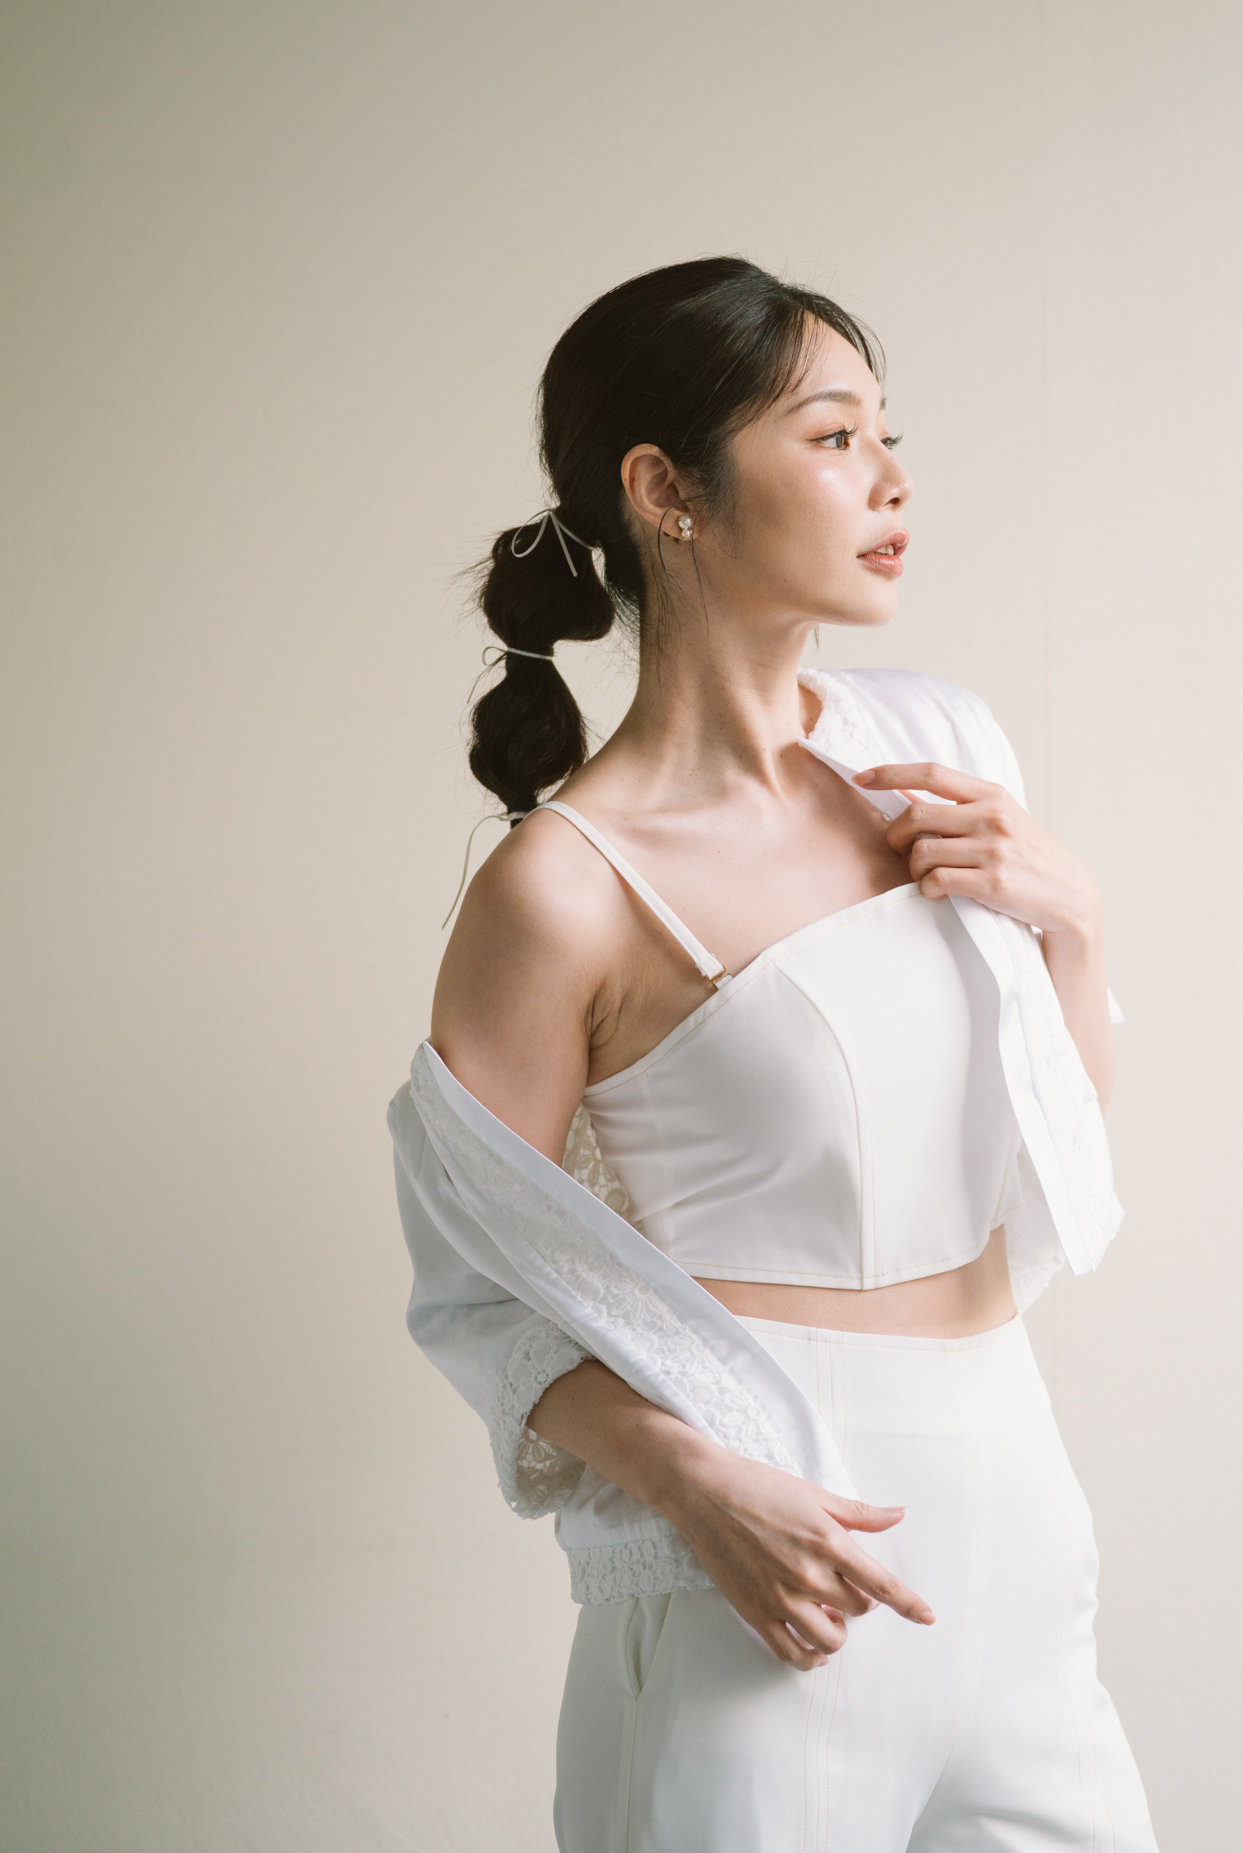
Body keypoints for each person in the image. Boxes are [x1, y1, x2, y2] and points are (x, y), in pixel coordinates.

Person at [390, 257, 1158, 1851]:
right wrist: (693, 1485)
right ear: (664, 490)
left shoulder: (940, 745)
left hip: (1020, 1513)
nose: (891, 480)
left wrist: (1073, 924)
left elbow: (1054, 1140)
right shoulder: (563, 888)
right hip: (763, 1555)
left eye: (888, 435)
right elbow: (474, 1294)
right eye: (831, 436)